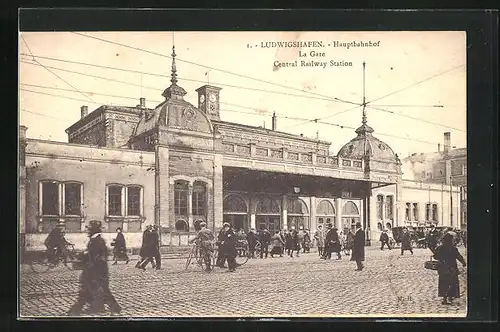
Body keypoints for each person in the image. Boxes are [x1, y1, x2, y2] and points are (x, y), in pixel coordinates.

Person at [67, 220, 121, 316]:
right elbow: (92, 254)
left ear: (94, 230)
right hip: (93, 271)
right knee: (88, 291)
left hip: (97, 273)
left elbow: (99, 257)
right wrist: (83, 255)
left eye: (90, 228)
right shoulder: (95, 240)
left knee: (99, 291)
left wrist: (87, 261)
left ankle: (76, 311)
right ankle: (92, 308)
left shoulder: (98, 240)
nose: (88, 230)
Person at [433, 232, 466, 305]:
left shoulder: (440, 248)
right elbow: (459, 256)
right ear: (450, 240)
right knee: (452, 282)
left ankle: (444, 298)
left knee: (443, 283)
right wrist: (463, 263)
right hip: (452, 268)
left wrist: (440, 258)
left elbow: (435, 256)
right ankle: (450, 296)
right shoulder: (453, 248)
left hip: (442, 268)